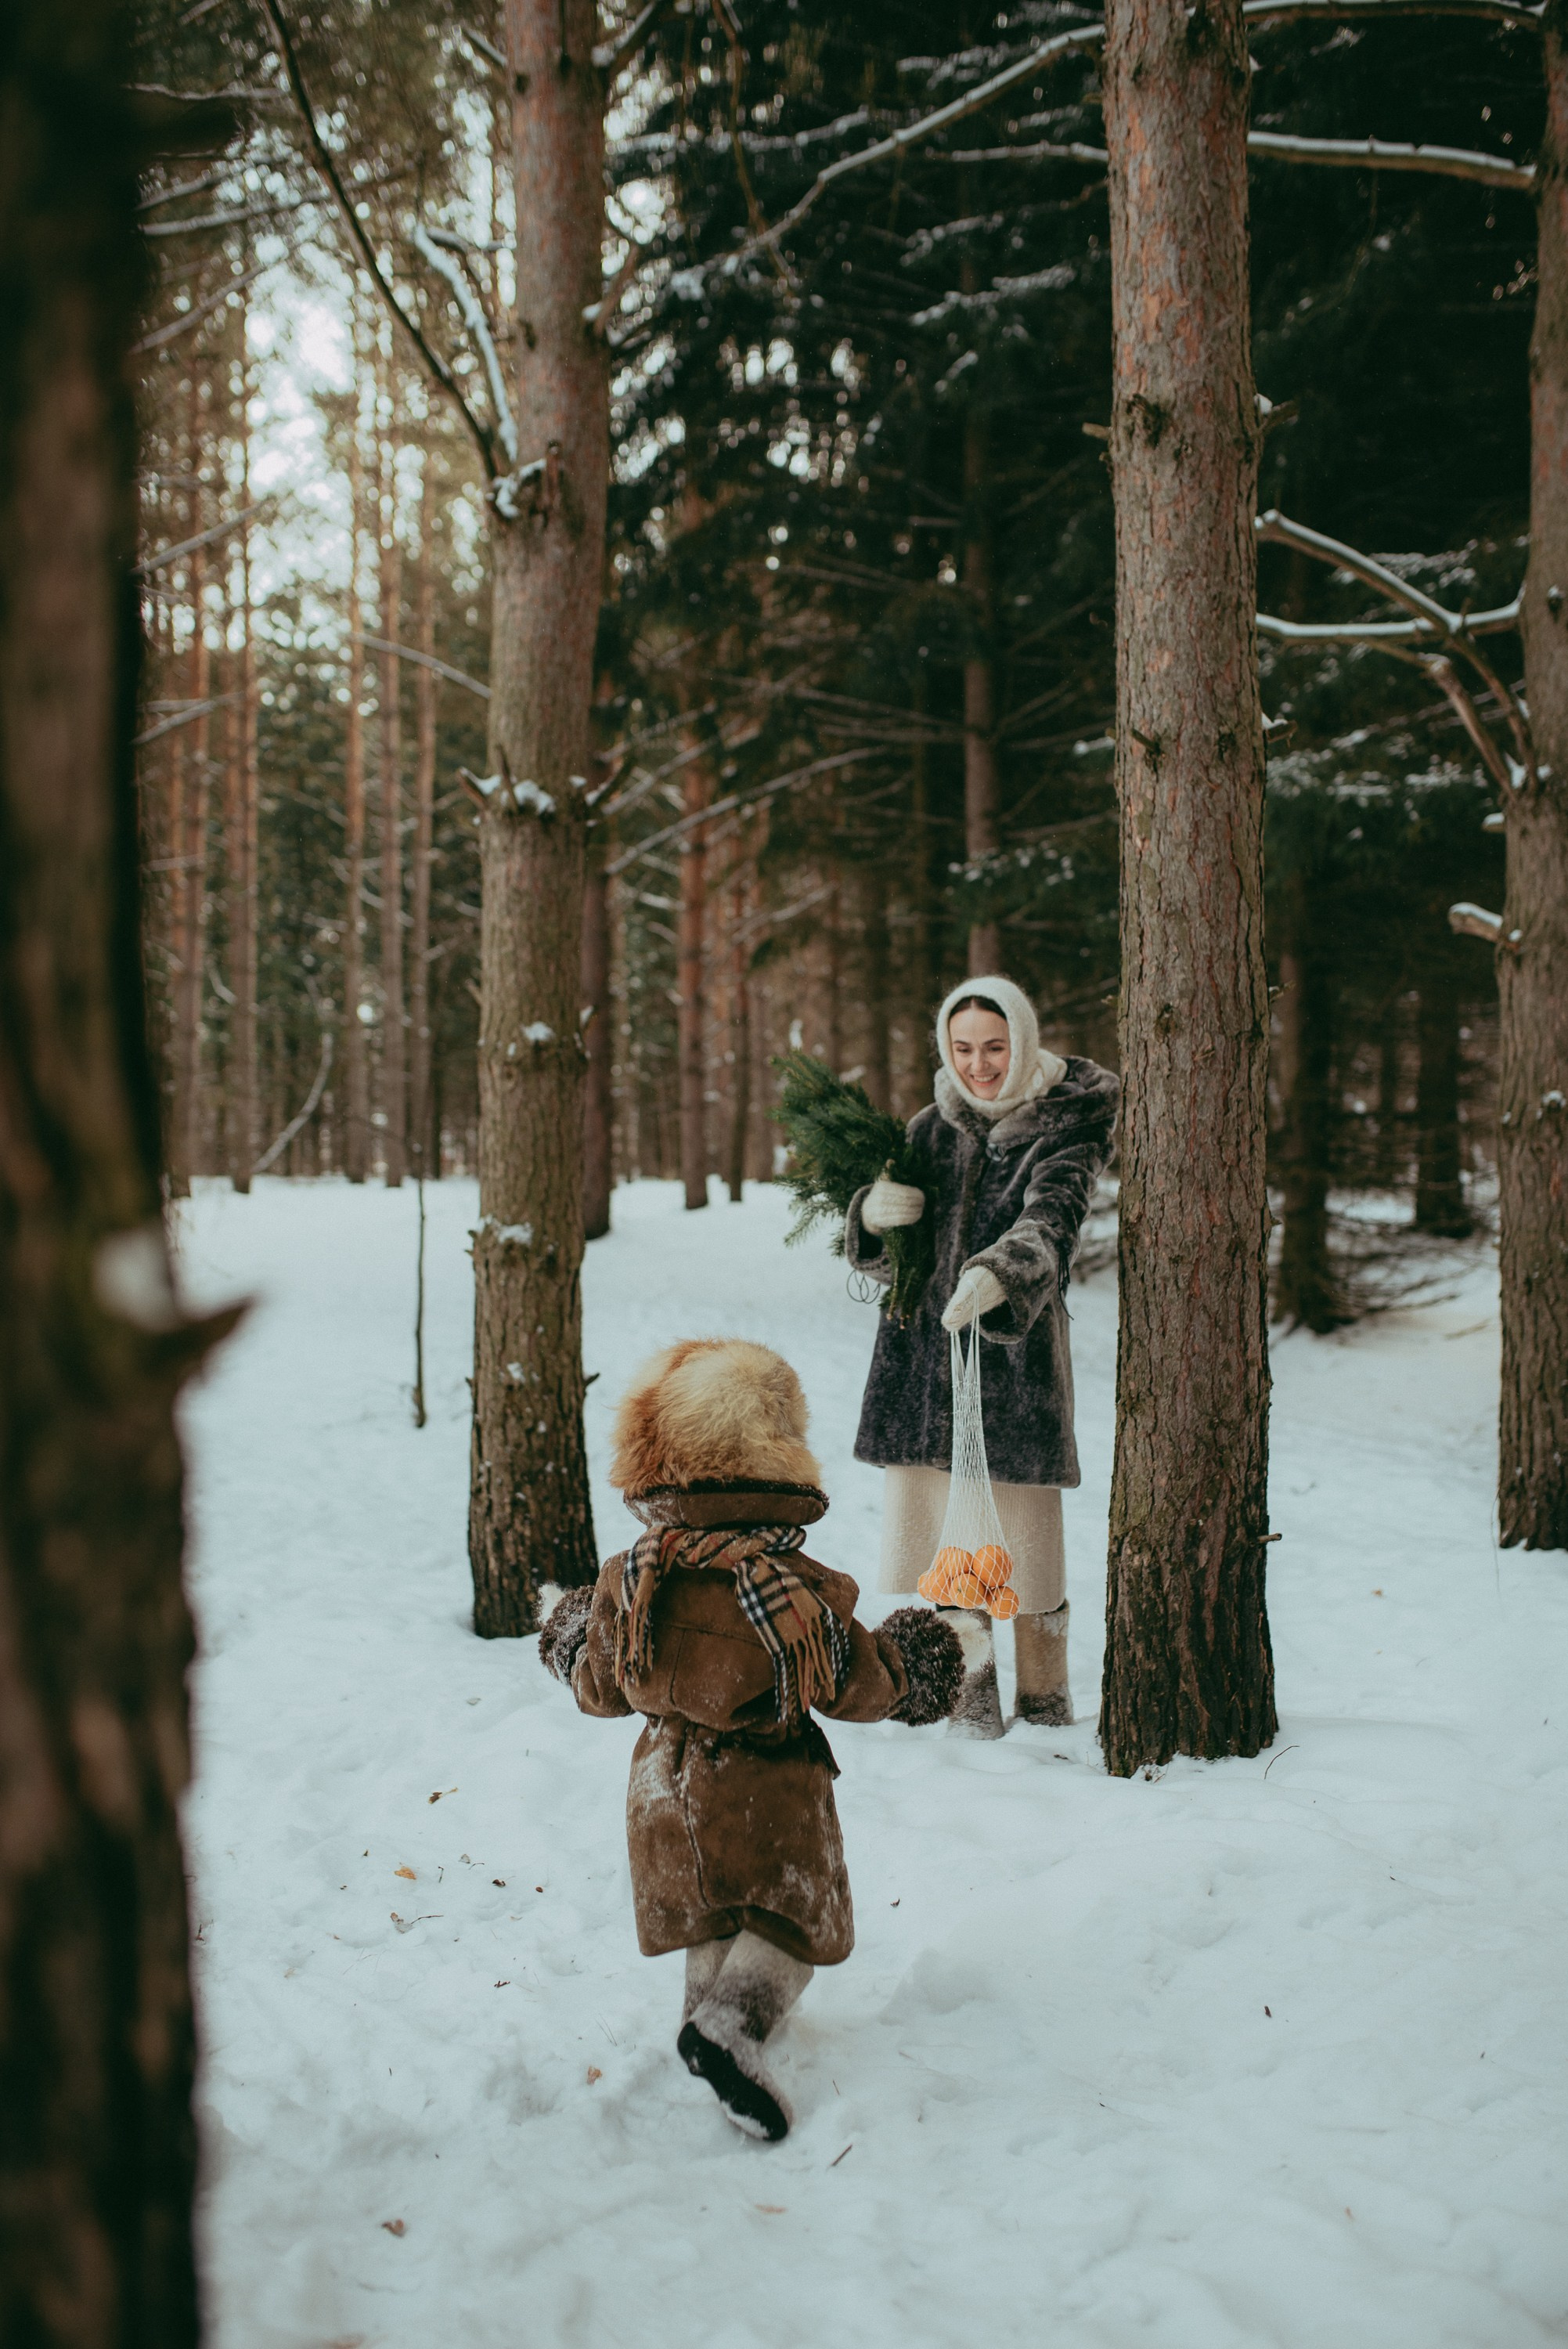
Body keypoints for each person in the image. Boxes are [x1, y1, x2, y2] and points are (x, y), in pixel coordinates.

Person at [539, 1337, 964, 2142]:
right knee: (785, 1927)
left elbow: (598, 1685)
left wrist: (567, 1638)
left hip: (657, 1791)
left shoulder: (628, 1579)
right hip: (766, 1792)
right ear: (775, 1462)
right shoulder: (793, 1590)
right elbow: (855, 1683)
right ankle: (730, 2027)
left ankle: (707, 2026)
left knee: (709, 1916)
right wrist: (919, 1661)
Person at [845, 975, 1119, 1737]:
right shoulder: (930, 1127)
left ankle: (1044, 1703)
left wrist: (1003, 1273)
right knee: (948, 1544)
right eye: (963, 1049)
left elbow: (1053, 1216)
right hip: (922, 1371)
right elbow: (888, 1257)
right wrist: (871, 1219)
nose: (978, 1064)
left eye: (994, 1047)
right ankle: (969, 1713)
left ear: (1022, 1041)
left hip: (1013, 1372)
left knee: (1026, 1551)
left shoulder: (1065, 1122)